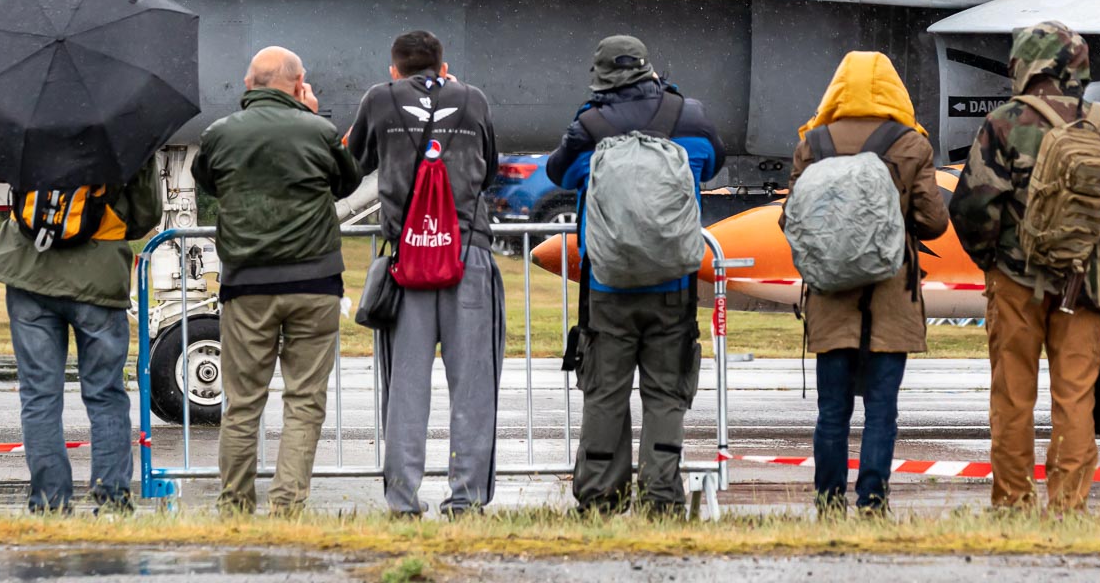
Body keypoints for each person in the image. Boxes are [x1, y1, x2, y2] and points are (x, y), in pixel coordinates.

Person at [951, 20, 1100, 513]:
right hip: (1085, 284)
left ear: (1025, 64)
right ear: (1076, 67)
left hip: (1016, 281)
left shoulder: (1004, 123)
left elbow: (972, 207)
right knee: (1075, 399)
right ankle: (1068, 508)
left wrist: (992, 262)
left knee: (1013, 398)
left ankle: (1014, 503)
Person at [544, 34, 725, 516]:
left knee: (605, 392)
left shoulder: (589, 126)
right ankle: (661, 497)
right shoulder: (690, 116)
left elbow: (558, 175)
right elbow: (713, 164)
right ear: (649, 68)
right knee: (666, 394)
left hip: (608, 286)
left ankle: (602, 498)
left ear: (600, 75)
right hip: (673, 287)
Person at [193, 47, 361, 515]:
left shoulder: (220, 134)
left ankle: (234, 506)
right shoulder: (320, 131)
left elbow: (208, 180)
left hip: (247, 285)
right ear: (299, 81)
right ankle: (287, 506)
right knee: (305, 401)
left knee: (243, 403)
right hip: (315, 281)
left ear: (249, 85)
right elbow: (346, 183)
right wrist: (311, 118)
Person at [344, 30, 505, 517]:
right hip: (467, 253)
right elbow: (490, 167)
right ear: (443, 64)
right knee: (474, 387)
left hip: (407, 259)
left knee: (406, 388)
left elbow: (356, 163)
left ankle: (403, 500)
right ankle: (467, 498)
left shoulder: (379, 99)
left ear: (394, 69)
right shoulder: (473, 99)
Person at [790, 51, 948, 515]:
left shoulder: (813, 142)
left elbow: (792, 217)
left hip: (829, 293)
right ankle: (873, 501)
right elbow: (934, 221)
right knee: (882, 409)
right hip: (890, 295)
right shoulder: (910, 144)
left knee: (832, 409)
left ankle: (827, 500)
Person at [0, 163, 164, 511]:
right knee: (105, 395)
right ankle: (112, 501)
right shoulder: (125, 130)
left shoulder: (29, 120)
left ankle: (50, 503)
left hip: (28, 271)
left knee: (39, 396)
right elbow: (145, 214)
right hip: (99, 277)